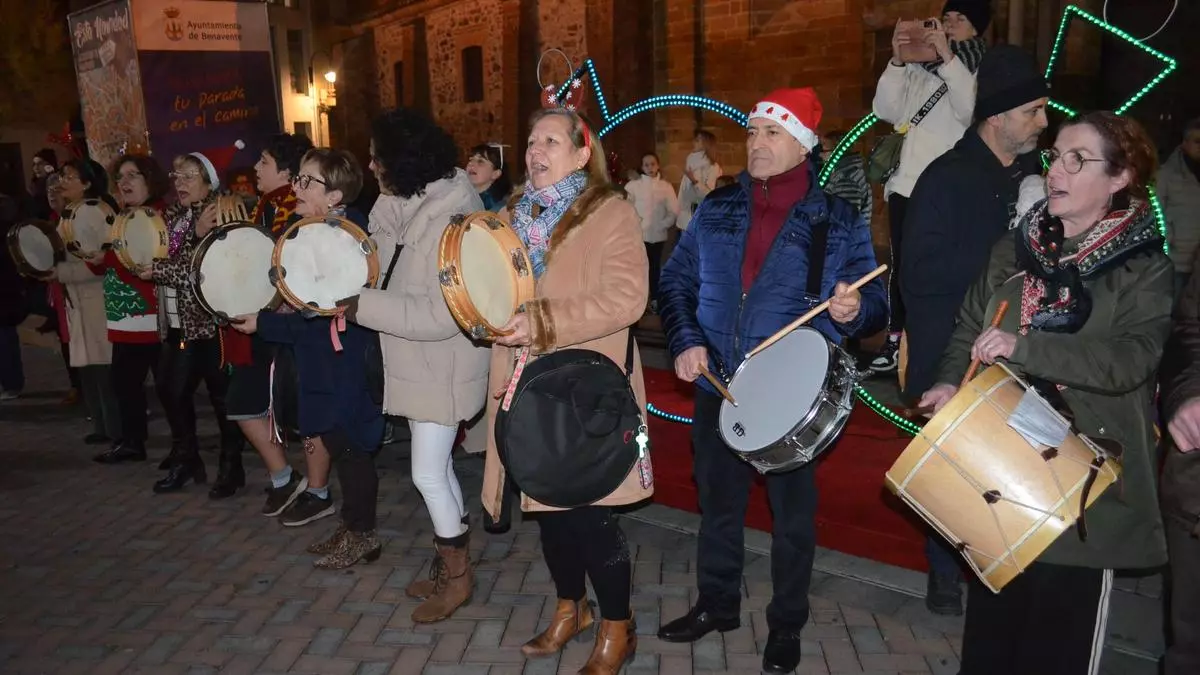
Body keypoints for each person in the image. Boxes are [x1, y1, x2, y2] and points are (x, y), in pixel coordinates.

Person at [917, 112, 1169, 675]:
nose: (1057, 168)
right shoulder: (1014, 248)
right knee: (989, 643)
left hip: (1085, 484)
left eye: (1079, 159)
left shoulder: (1143, 270)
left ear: (1120, 177)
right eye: (1056, 154)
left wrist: (1024, 347)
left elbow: (1128, 362)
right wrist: (948, 381)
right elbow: (967, 326)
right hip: (1002, 470)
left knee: (1055, 650)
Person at [657, 87, 887, 674]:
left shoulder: (836, 220)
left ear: (803, 145)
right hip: (718, 385)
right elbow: (675, 282)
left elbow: (876, 301)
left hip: (789, 401)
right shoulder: (718, 206)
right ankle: (718, 603)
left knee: (791, 523)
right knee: (719, 506)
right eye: (753, 131)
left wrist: (852, 312)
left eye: (772, 133)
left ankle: (786, 623)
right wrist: (686, 341)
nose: (756, 142)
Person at [480, 106, 650, 673]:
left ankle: (618, 628)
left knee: (589, 516)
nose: (535, 150)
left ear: (582, 154)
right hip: (525, 386)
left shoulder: (609, 212)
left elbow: (626, 299)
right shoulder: (509, 216)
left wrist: (542, 320)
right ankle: (569, 609)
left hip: (582, 391)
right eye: (531, 140)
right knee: (546, 510)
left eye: (551, 140)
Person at [899, 43, 1048, 615]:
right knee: (955, 467)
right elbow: (919, 272)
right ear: (997, 116)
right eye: (1032, 111)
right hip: (952, 346)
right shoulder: (946, 177)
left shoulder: (1037, 175)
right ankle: (943, 570)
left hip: (1023, 349)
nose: (1042, 122)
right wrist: (1007, 250)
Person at [338, 107, 489, 621]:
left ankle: (458, 575)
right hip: (417, 361)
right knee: (437, 467)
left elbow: (440, 314)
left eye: (377, 156)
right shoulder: (410, 197)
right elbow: (385, 255)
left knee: (426, 473)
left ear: (400, 159)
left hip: (440, 363)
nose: (371, 164)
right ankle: (450, 561)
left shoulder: (452, 215)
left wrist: (362, 305)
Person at [233, 148, 385, 569]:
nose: (295, 187)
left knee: (351, 450)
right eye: (297, 177)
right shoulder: (315, 232)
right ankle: (352, 527)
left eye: (306, 181)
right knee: (339, 443)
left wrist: (263, 325)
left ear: (335, 195)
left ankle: (362, 535)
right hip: (323, 362)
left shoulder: (344, 240)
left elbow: (318, 322)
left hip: (343, 365)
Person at [869, 0, 990, 373]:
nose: (950, 25)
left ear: (976, 29)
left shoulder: (975, 67)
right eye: (946, 18)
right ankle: (897, 342)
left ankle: (944, 345)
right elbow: (885, 111)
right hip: (907, 184)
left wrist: (947, 58)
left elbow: (969, 113)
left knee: (938, 268)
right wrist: (898, 60)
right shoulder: (921, 69)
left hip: (947, 189)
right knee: (904, 267)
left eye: (960, 19)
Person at [217, 132, 313, 505]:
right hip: (263, 324)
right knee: (245, 404)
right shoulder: (266, 205)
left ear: (288, 172)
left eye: (264, 163)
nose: (255, 168)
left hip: (280, 325)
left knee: (293, 411)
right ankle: (285, 477)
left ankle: (309, 487)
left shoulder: (292, 208)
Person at [139, 153, 243, 493]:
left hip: (211, 324)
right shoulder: (171, 215)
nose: (179, 183)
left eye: (188, 176)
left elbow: (200, 270)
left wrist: (159, 268)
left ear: (208, 180)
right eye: (176, 176)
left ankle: (231, 466)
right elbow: (158, 254)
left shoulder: (222, 210)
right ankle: (187, 459)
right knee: (171, 391)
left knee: (222, 397)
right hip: (177, 321)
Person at [88, 154, 172, 464]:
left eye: (132, 176)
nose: (123, 183)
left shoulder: (160, 217)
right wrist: (97, 256)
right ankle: (132, 442)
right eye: (120, 177)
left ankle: (180, 448)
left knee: (168, 389)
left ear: (150, 180)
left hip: (152, 318)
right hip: (124, 319)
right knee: (124, 385)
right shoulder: (121, 219)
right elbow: (107, 268)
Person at [52, 159, 122, 447]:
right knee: (89, 368)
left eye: (70, 176)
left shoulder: (94, 213)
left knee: (103, 369)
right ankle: (102, 425)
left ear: (87, 183)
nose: (63, 181)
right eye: (62, 175)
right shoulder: (71, 213)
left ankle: (116, 429)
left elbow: (103, 262)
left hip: (97, 300)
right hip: (80, 302)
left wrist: (60, 273)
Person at [624, 152, 678, 311]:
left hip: (657, 236)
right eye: (646, 165)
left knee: (654, 267)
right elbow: (626, 208)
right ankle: (638, 302)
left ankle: (655, 299)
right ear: (642, 167)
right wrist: (635, 224)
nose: (650, 167)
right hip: (638, 235)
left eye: (653, 164)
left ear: (658, 165)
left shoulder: (665, 187)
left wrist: (662, 224)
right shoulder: (634, 186)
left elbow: (673, 210)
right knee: (638, 269)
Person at [1158, 117, 1200, 295]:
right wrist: (1169, 240)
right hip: (1176, 262)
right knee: (1170, 314)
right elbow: (1155, 211)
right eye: (1197, 141)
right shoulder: (1166, 174)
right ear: (1184, 143)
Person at [820, 130, 873, 227]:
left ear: (837, 150)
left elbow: (843, 223)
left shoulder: (847, 178)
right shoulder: (848, 172)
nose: (820, 153)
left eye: (824, 147)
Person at [676, 129, 721, 232]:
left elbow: (710, 195)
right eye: (695, 139)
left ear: (706, 144)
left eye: (697, 140)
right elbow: (684, 194)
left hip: (701, 219)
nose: (693, 142)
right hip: (686, 219)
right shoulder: (691, 163)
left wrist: (695, 181)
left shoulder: (713, 167)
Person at [465, 142, 513, 212]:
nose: (471, 164)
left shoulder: (498, 208)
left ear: (495, 174)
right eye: (471, 159)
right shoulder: (460, 195)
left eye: (480, 161)